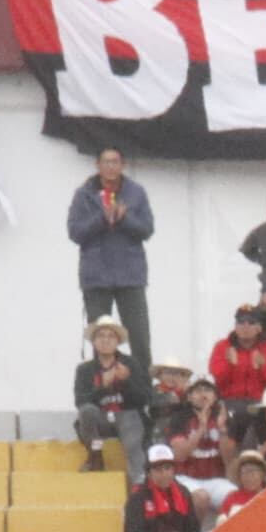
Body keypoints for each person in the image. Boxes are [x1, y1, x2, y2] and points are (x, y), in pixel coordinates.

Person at [65, 145, 156, 382]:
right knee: (101, 340)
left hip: (130, 275)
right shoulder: (84, 194)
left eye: (115, 161)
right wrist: (101, 219)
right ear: (97, 165)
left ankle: (143, 393)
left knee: (139, 338)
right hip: (96, 277)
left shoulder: (136, 192)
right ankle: (101, 391)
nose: (111, 166)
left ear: (122, 165)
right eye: (106, 162)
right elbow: (75, 232)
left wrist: (124, 218)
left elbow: (147, 229)